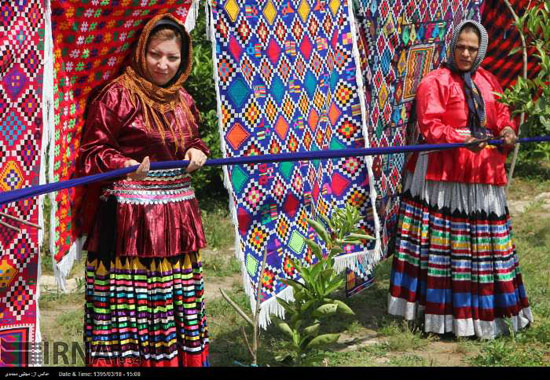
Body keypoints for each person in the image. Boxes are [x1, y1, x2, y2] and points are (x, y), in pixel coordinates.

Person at [77, 14, 210, 366]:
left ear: (184, 59)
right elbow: (93, 152)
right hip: (128, 221)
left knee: (173, 301)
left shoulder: (182, 99)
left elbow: (193, 138)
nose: (163, 65)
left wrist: (198, 151)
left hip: (178, 219)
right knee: (129, 306)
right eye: (155, 54)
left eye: (172, 57)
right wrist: (124, 166)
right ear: (141, 51)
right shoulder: (117, 95)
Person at [388, 20, 533, 339]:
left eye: (472, 48)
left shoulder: (489, 80)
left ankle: (486, 313)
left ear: (480, 50)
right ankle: (436, 315)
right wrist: (460, 138)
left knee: (483, 248)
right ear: (452, 47)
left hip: (482, 173)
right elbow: (430, 126)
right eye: (461, 47)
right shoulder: (434, 81)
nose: (466, 53)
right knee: (442, 248)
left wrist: (508, 131)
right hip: (442, 176)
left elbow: (501, 117)